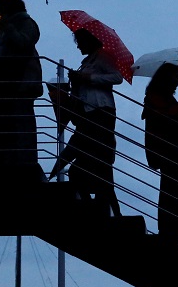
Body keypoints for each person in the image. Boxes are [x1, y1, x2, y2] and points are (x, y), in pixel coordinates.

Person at [50, 28, 123, 216]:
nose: (78, 46)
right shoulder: (88, 61)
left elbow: (117, 77)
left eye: (79, 42)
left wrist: (88, 78)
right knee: (94, 163)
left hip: (100, 111)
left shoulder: (102, 57)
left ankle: (105, 207)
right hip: (89, 112)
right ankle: (103, 206)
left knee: (96, 161)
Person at [0, 0, 42, 176]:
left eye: (0, 7)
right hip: (7, 85)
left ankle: (23, 162)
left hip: (19, 83)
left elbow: (24, 43)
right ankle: (8, 159)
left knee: (20, 126)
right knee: (9, 127)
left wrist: (7, 28)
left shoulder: (26, 23)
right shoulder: (10, 27)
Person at [141, 62, 178, 243]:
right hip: (168, 151)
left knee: (177, 187)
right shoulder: (155, 97)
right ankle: (169, 227)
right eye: (175, 78)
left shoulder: (160, 97)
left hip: (173, 151)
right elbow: (162, 118)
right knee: (172, 188)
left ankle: (174, 226)